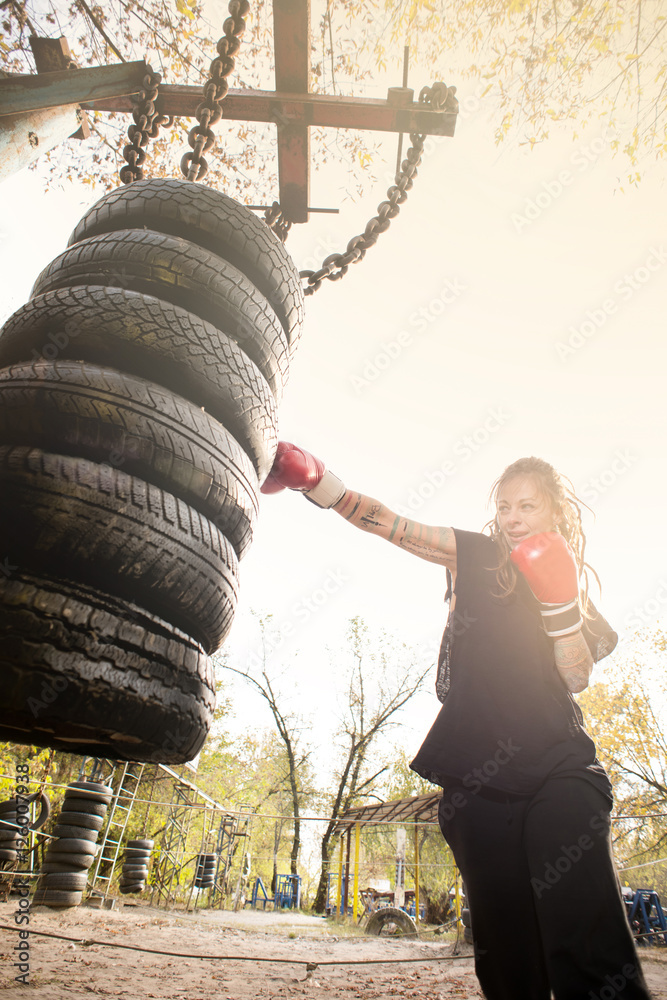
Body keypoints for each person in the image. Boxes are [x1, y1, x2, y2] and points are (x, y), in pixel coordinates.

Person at [262, 445, 651, 1000]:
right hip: (478, 775)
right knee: (505, 947)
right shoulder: (478, 555)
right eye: (506, 507)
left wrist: (560, 603)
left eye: (528, 507)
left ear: (555, 514)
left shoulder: (576, 593)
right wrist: (318, 482)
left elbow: (575, 677)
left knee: (581, 918)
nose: (514, 518)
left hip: (560, 766)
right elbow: (394, 526)